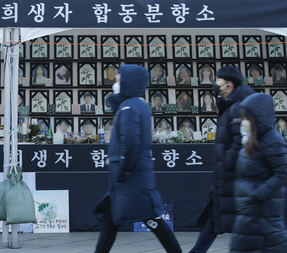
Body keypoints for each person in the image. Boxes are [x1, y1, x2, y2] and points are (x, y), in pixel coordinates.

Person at [94, 65, 181, 253]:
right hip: (129, 177)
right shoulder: (135, 104)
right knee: (111, 221)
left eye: (119, 79)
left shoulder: (129, 107)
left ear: (129, 81)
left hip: (131, 177)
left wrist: (124, 168)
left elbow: (131, 142)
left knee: (152, 219)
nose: (116, 83)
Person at [189, 66, 255, 253]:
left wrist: (227, 163)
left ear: (228, 83)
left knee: (234, 220)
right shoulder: (229, 105)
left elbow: (239, 141)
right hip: (226, 177)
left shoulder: (238, 107)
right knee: (215, 217)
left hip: (233, 176)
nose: (215, 84)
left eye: (218, 80)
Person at [229, 93, 287, 253]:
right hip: (250, 214)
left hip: (262, 214)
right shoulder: (251, 140)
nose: (243, 122)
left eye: (247, 118)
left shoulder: (272, 141)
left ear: (258, 118)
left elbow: (283, 172)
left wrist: (258, 195)